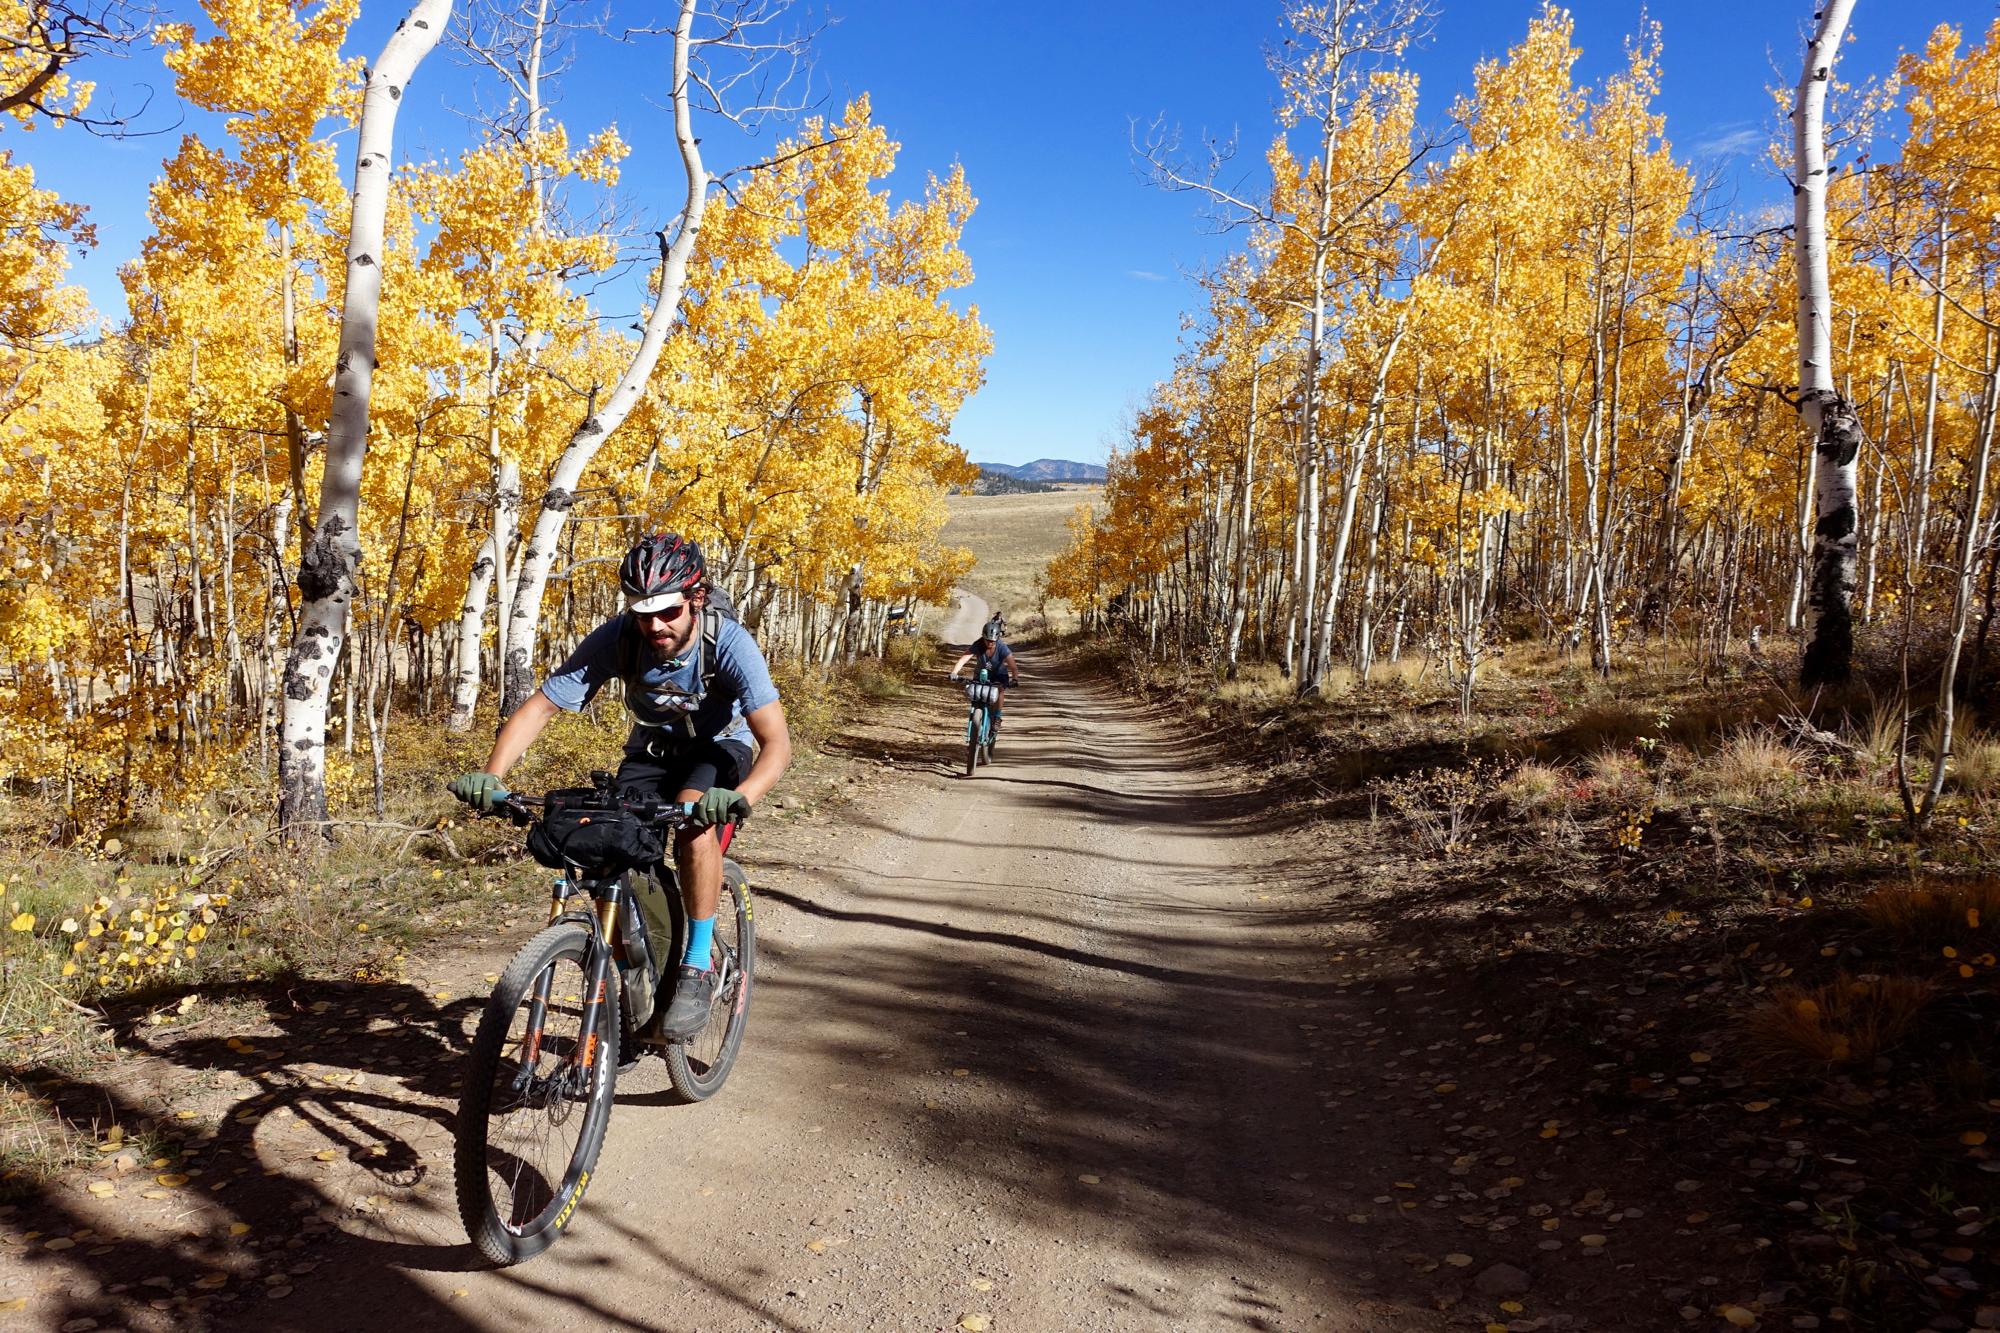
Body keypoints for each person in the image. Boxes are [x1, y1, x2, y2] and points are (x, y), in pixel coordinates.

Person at [448, 532, 792, 1040]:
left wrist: (740, 797)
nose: (654, 626)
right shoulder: (619, 637)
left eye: (668, 613)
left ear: (695, 598)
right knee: (612, 836)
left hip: (722, 746)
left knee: (693, 826)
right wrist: (492, 775)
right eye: (642, 612)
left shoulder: (730, 643)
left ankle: (696, 967)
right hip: (654, 747)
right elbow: (540, 707)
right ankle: (640, 970)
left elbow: (777, 744)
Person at [947, 624, 1018, 740]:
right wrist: (954, 672)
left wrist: (1015, 679)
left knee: (1000, 689)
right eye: (988, 640)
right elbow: (964, 658)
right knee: (975, 693)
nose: (990, 643)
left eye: (993, 641)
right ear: (983, 637)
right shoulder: (978, 644)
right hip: (980, 674)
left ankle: (996, 717)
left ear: (997, 639)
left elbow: (1013, 665)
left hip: (999, 675)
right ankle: (976, 716)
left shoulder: (1002, 647)